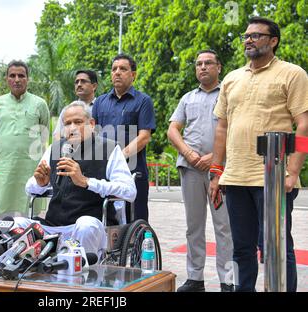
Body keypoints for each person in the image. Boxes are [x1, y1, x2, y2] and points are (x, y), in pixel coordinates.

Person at [210, 17, 308, 292]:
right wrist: (217, 173)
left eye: (256, 35)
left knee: (276, 248)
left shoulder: (292, 74)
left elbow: (304, 125)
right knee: (241, 248)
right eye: (246, 36)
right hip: (236, 177)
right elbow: (222, 128)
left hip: (273, 177)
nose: (249, 40)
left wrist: (294, 171)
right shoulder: (232, 78)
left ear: (273, 40)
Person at [14, 101, 136, 259]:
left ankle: (82, 277)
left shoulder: (110, 149)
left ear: (91, 124)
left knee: (86, 225)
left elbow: (130, 192)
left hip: (89, 225)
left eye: (78, 122)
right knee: (16, 224)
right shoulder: (55, 149)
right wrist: (40, 183)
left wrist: (86, 182)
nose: (72, 128)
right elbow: (29, 188)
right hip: (54, 226)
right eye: (67, 123)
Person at [167, 50, 234, 292]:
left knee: (224, 226)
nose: (203, 67)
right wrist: (189, 154)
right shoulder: (187, 98)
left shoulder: (229, 94)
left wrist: (213, 157)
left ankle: (228, 281)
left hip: (220, 170)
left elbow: (235, 129)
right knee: (193, 226)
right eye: (199, 64)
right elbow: (173, 130)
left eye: (208, 63)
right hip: (191, 168)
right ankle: (195, 279)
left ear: (219, 67)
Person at [92, 54, 156, 222]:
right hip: (105, 173)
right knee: (106, 220)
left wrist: (118, 157)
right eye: (114, 69)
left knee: (136, 220)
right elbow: (94, 135)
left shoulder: (143, 101)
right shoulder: (100, 102)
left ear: (133, 75)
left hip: (134, 172)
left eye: (123, 69)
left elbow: (144, 137)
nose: (117, 72)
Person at [0, 60, 49, 218]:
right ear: (6, 79)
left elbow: (43, 135)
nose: (17, 79)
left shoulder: (40, 104)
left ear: (27, 79)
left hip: (29, 164)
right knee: (4, 214)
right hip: (4, 165)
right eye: (12, 76)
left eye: (21, 75)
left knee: (27, 213)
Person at [53, 70, 98, 140]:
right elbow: (57, 135)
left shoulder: (101, 107)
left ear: (94, 86)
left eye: (83, 81)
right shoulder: (67, 110)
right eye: (76, 82)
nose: (79, 84)